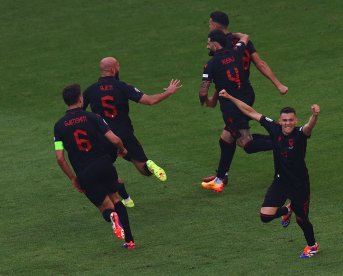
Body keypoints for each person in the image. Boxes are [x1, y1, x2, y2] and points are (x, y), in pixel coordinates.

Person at [219, 89, 320, 259]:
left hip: (299, 184)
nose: (287, 123)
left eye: (290, 120)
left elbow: (309, 127)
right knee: (265, 216)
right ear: (280, 121)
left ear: (295, 121)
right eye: (284, 120)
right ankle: (287, 211)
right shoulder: (273, 128)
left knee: (302, 220)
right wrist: (230, 97)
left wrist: (315, 115)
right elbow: (250, 112)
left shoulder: (300, 134)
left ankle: (312, 246)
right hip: (280, 182)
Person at [201, 11, 289, 185]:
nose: (209, 26)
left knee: (244, 141)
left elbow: (221, 78)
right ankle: (221, 177)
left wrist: (211, 99)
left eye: (210, 23)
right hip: (244, 92)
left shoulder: (222, 49)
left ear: (216, 26)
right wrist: (278, 84)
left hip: (234, 98)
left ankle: (283, 140)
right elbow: (259, 63)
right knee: (226, 138)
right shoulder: (241, 43)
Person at [83, 57, 182, 207]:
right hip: (125, 134)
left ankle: (125, 200)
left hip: (104, 137)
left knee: (107, 172)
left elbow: (80, 113)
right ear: (113, 69)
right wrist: (168, 92)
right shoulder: (122, 86)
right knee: (144, 170)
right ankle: (149, 165)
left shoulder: (90, 90)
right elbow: (149, 100)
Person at [54, 84, 136, 249]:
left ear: (66, 102)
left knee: (104, 207)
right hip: (104, 165)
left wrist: (73, 179)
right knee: (115, 198)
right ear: (80, 99)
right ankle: (130, 241)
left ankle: (111, 215)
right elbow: (114, 139)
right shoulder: (93, 117)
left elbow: (60, 158)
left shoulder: (59, 126)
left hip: (84, 173)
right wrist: (122, 149)